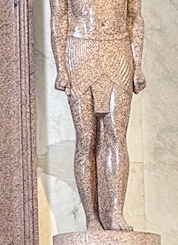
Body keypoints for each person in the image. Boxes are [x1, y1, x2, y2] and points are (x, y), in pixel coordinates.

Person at [49, 0, 146, 231]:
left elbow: (134, 18)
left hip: (117, 50)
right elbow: (59, 18)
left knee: (116, 136)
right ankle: (91, 216)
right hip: (80, 50)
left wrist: (138, 64)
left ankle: (115, 211)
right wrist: (61, 67)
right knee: (86, 139)